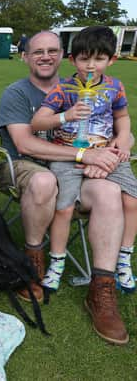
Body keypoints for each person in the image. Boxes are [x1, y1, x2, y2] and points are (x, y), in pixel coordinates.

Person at [0, 30, 129, 345]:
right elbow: (25, 142)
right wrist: (85, 154)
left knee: (111, 192)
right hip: (27, 167)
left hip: (78, 170)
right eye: (37, 50)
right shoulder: (17, 93)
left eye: (52, 50)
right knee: (46, 181)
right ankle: (33, 263)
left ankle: (102, 289)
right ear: (25, 56)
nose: (45, 56)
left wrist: (117, 147)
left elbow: (120, 125)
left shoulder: (95, 88)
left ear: (62, 55)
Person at [31, 26, 137, 296]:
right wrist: (66, 116)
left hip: (108, 154)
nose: (91, 65)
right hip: (68, 157)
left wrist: (123, 140)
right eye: (84, 58)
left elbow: (122, 118)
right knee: (64, 208)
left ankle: (123, 259)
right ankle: (57, 262)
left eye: (99, 59)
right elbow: (38, 122)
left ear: (111, 60)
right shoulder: (63, 88)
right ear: (72, 60)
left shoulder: (114, 87)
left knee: (132, 201)